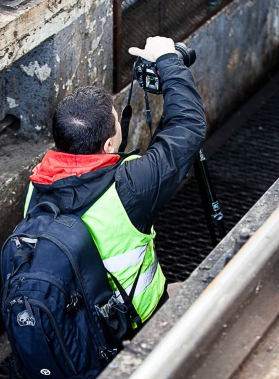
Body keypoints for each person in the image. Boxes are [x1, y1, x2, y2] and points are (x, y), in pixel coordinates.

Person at [23, 36, 207, 326]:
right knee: (206, 295)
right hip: (130, 325)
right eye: (116, 121)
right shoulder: (130, 186)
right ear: (109, 145)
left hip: (68, 321)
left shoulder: (38, 183)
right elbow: (188, 127)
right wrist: (169, 62)